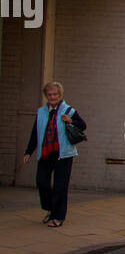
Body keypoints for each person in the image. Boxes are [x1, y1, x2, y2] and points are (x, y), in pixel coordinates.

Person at [23, 81, 87, 228]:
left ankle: (58, 217)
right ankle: (50, 209)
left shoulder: (68, 110)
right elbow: (35, 133)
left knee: (60, 187)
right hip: (46, 153)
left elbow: (83, 125)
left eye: (55, 94)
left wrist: (70, 120)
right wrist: (28, 151)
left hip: (63, 154)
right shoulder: (41, 112)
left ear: (60, 95)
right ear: (46, 96)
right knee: (41, 182)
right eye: (50, 94)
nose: (52, 97)